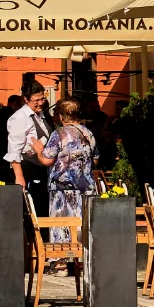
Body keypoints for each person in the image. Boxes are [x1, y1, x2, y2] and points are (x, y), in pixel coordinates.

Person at [38, 98, 96, 246]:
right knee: (81, 225)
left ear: (62, 116)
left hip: (61, 190)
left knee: (60, 226)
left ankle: (61, 261)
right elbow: (95, 159)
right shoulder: (88, 133)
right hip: (85, 189)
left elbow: (46, 160)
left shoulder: (59, 134)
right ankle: (80, 260)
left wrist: (38, 149)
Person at [5, 85, 51, 217]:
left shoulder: (40, 114)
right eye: (36, 100)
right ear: (26, 99)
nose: (41, 103)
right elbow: (14, 150)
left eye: (42, 99)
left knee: (41, 208)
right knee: (30, 211)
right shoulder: (20, 118)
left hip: (40, 167)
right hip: (27, 168)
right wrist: (19, 177)